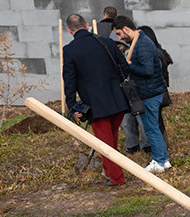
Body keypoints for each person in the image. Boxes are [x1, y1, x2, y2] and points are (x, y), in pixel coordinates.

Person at [62, 13, 130, 186]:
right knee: (111, 139)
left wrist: (72, 106)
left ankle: (116, 178)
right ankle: (110, 172)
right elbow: (124, 67)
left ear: (70, 30)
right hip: (118, 100)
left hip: (95, 105)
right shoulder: (106, 42)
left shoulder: (70, 50)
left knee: (105, 144)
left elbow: (69, 81)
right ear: (86, 26)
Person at [112, 15, 172, 173]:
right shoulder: (139, 42)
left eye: (119, 34)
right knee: (153, 128)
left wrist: (129, 65)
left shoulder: (143, 44)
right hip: (150, 92)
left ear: (126, 29)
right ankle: (164, 160)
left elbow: (147, 70)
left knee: (151, 129)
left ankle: (158, 161)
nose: (119, 38)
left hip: (150, 93)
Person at [110, 30, 150, 156]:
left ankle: (147, 146)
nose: (117, 46)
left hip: (136, 92)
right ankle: (132, 145)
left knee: (141, 119)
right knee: (126, 121)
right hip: (123, 93)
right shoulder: (114, 56)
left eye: (119, 43)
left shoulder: (135, 52)